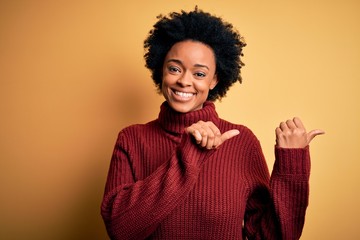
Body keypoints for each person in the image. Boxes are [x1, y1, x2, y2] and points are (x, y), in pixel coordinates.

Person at [101, 7, 324, 240]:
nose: (184, 81)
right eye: (175, 69)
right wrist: (188, 155)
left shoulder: (241, 141)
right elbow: (120, 230)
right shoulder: (132, 139)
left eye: (199, 74)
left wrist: (291, 166)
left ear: (215, 80)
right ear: (162, 70)